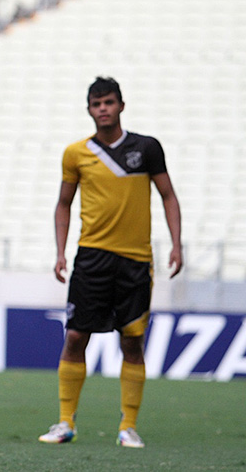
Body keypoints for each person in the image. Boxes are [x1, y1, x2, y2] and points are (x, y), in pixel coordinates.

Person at [38, 77, 182, 448]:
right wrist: (60, 252)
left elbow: (168, 196)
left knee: (132, 342)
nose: (103, 108)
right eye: (96, 103)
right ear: (89, 109)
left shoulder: (146, 148)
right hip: (91, 258)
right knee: (75, 337)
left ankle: (128, 427)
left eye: (109, 102)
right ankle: (65, 422)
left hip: (135, 261)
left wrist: (177, 245)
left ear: (121, 105)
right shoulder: (75, 153)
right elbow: (63, 203)